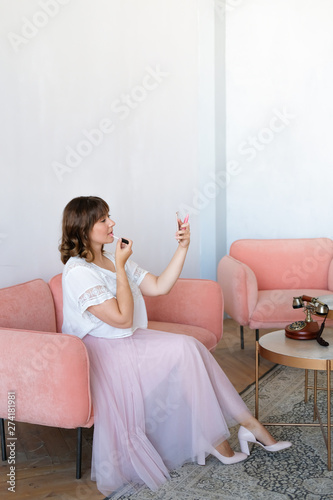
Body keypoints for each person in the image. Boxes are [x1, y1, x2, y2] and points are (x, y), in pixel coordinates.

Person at [59, 196, 291, 496]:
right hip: (103, 352)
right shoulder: (78, 271)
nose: (112, 223)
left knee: (190, 348)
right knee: (184, 351)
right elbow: (121, 318)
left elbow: (159, 286)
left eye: (108, 216)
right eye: (103, 219)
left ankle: (245, 427)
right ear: (82, 228)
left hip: (127, 341)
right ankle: (227, 437)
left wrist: (182, 247)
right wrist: (119, 266)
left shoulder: (108, 257)